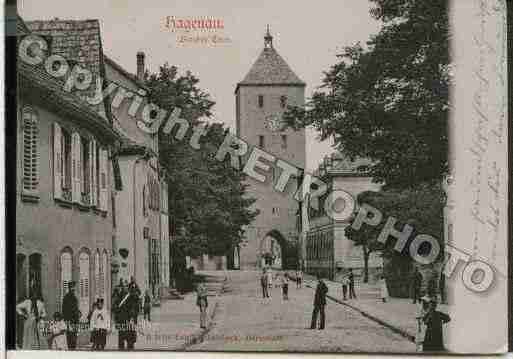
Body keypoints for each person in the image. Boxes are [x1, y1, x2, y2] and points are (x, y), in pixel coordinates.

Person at [61, 281, 80, 350]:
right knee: (70, 336)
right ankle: (71, 350)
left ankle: (72, 349)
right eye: (72, 288)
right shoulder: (66, 298)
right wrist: (66, 320)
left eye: (74, 288)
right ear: (69, 288)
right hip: (69, 320)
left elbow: (75, 308)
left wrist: (78, 313)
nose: (73, 289)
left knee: (74, 336)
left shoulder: (74, 298)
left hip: (75, 320)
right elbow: (64, 310)